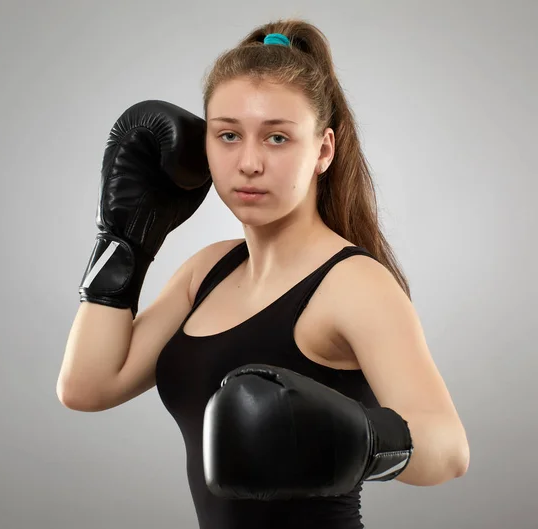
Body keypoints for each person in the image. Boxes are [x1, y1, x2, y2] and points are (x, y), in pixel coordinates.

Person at [58, 18, 470, 529]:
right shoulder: (206, 270)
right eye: (227, 135)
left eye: (276, 138)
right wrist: (124, 241)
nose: (248, 162)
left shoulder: (352, 283)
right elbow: (88, 387)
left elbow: (449, 450)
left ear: (323, 149)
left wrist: (355, 436)